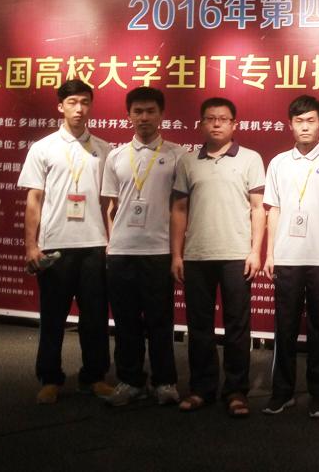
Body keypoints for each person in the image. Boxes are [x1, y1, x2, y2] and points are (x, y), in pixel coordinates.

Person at [18, 78, 112, 405]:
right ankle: (50, 379)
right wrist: (31, 246)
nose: (79, 108)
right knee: (53, 317)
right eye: (72, 102)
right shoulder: (43, 148)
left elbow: (109, 202)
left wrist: (111, 242)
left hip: (94, 245)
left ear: (91, 106)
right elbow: (34, 199)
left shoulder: (104, 149)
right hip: (54, 246)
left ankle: (94, 377)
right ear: (60, 106)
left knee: (95, 318)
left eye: (84, 102)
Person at [170, 97, 265, 418]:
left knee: (238, 325)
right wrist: (176, 254)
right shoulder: (187, 161)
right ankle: (202, 388)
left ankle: (236, 390)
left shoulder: (250, 159)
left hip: (237, 254)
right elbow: (178, 209)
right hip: (197, 255)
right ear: (201, 124)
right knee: (199, 326)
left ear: (234, 124)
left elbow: (258, 209)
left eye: (223, 119)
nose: (216, 124)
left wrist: (255, 251)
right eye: (210, 118)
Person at [262, 95, 319, 419]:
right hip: (286, 259)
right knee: (284, 328)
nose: (305, 126)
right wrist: (270, 253)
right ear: (290, 125)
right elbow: (273, 209)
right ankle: (282, 393)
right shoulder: (278, 163)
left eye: (310, 120)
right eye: (299, 121)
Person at [101, 87, 185, 406]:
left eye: (151, 111)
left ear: (162, 114)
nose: (144, 117)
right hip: (121, 253)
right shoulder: (116, 156)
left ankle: (165, 382)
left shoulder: (178, 155)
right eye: (138, 111)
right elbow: (110, 206)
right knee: (125, 322)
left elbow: (180, 207)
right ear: (129, 115)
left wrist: (177, 253)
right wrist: (112, 242)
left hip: (158, 252)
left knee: (160, 321)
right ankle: (130, 381)